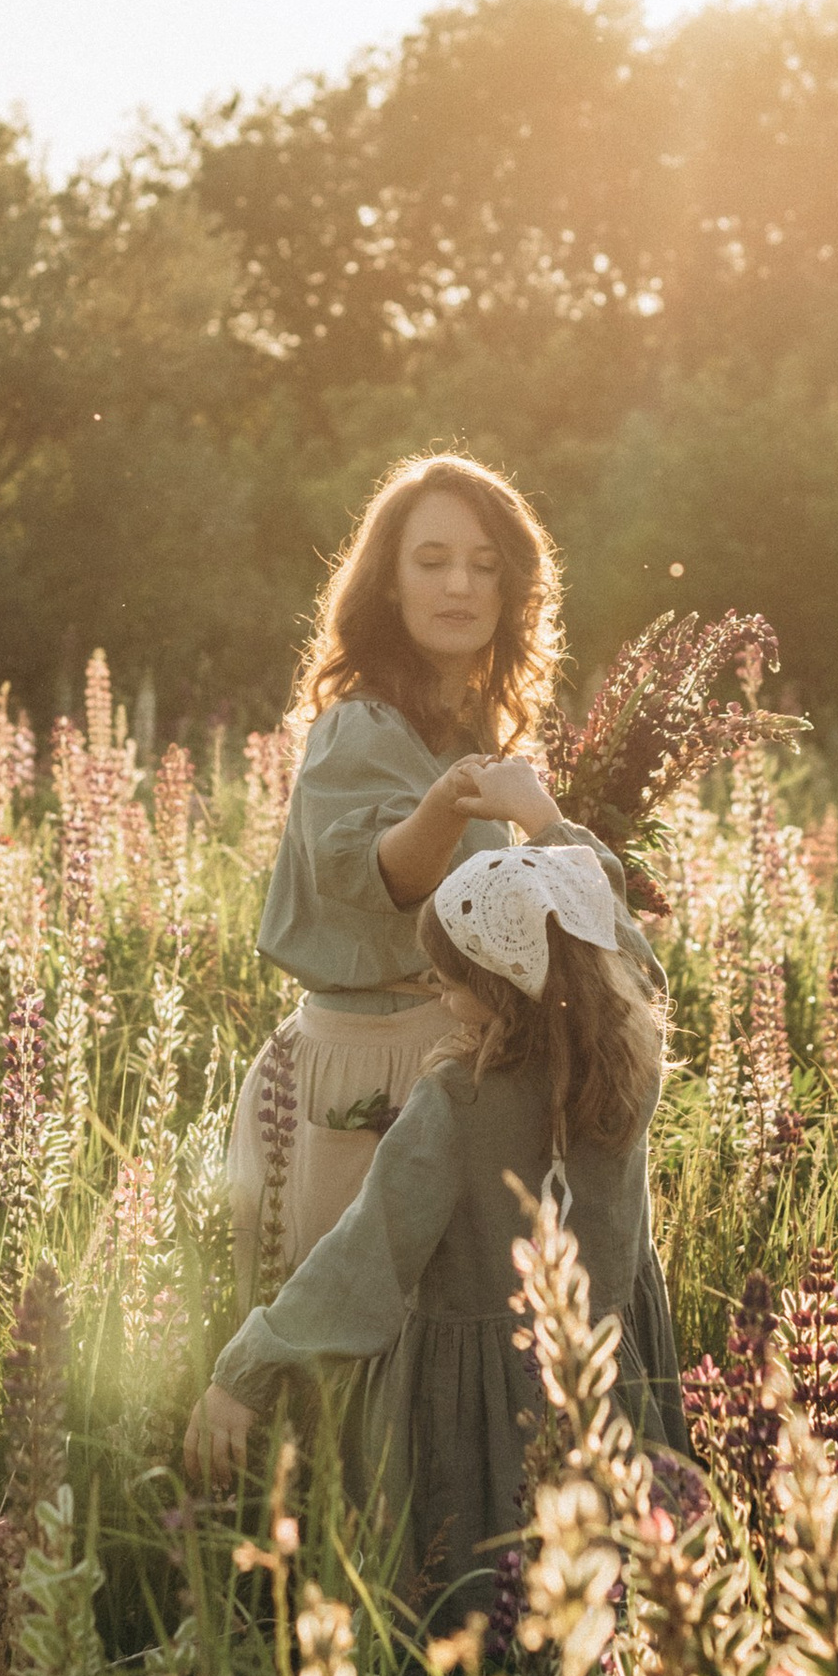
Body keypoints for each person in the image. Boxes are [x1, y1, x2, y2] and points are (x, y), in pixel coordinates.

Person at [185, 840, 691, 1623]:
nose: (439, 993)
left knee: (477, 1588)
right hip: (600, 1380)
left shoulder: (457, 1102)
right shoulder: (628, 1066)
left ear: (500, 991)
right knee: (606, 1579)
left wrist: (248, 1366)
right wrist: (547, 825)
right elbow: (626, 949)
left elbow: (368, 1255)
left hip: (480, 1409)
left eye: (450, 982)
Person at [228, 451, 566, 1303]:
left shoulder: (480, 731)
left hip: (463, 1061)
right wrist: (449, 804)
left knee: (447, 1341)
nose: (461, 585)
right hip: (368, 1067)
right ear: (387, 583)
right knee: (357, 1337)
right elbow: (379, 872)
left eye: (486, 567)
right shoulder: (359, 725)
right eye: (432, 561)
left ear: (511, 592)